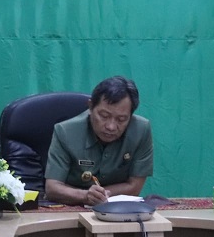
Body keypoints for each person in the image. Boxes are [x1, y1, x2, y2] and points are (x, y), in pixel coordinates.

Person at [45, 76, 154, 206]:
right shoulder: (65, 131)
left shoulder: (141, 130)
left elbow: (134, 186)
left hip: (117, 208)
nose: (111, 126)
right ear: (90, 106)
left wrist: (99, 196)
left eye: (121, 119)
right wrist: (85, 195)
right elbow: (52, 188)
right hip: (71, 206)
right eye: (104, 116)